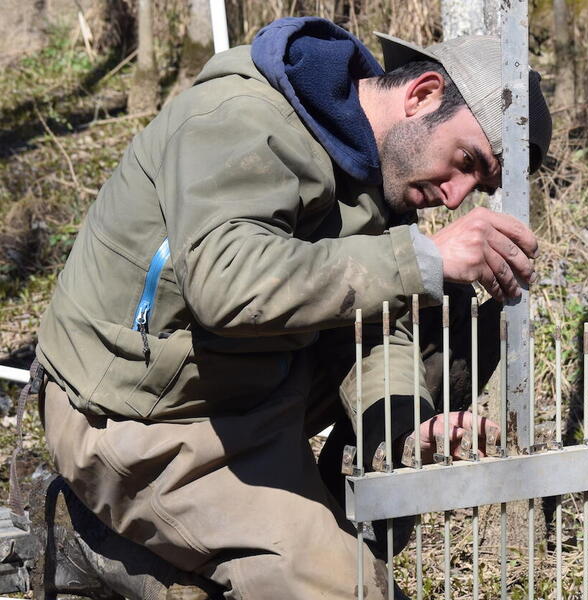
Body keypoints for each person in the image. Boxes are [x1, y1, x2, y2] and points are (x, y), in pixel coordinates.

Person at [33, 16, 551, 600]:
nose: (455, 195)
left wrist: (404, 430)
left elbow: (383, 329)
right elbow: (226, 285)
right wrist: (420, 258)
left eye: (476, 187)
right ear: (422, 93)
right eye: (465, 161)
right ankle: (103, 545)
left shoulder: (376, 170)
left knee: (446, 305)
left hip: (253, 390)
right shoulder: (240, 119)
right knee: (346, 589)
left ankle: (332, 518)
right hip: (145, 421)